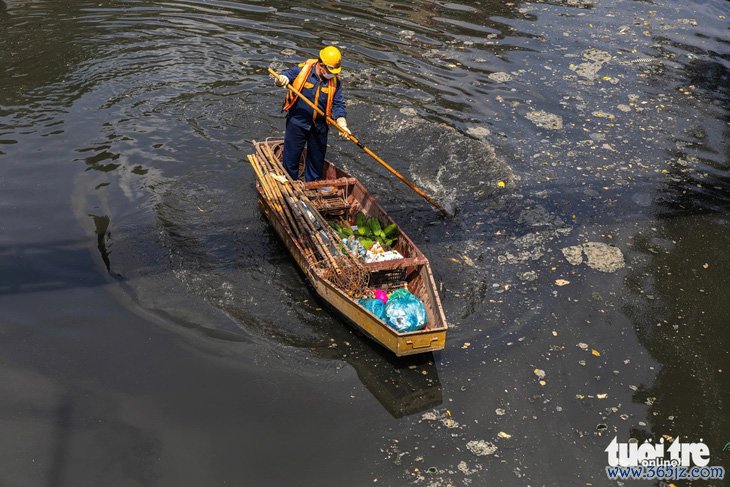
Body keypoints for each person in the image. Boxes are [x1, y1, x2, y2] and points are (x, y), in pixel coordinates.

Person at [274, 46, 350, 182]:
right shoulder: (303, 70)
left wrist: (342, 122)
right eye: (329, 70)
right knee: (292, 155)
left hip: (320, 126)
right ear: (321, 65)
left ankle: (313, 184)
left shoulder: (335, 81)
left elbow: (338, 104)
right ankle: (289, 181)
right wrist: (281, 80)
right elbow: (284, 76)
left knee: (317, 158)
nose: (332, 74)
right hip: (298, 122)